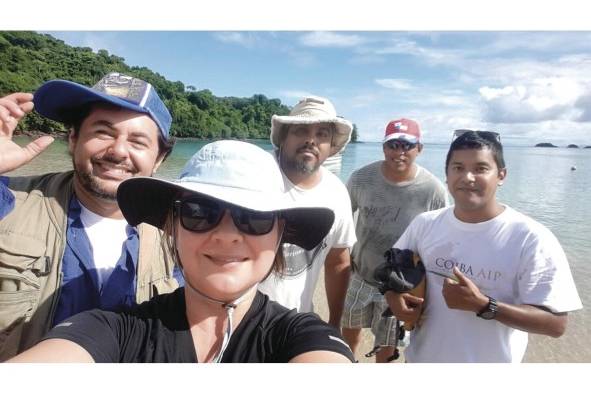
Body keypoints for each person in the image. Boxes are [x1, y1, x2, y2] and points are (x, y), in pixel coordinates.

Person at [7, 141, 354, 363]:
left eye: (254, 218)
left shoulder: (304, 337)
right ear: (171, 225)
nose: (228, 235)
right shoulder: (114, 330)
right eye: (200, 212)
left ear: (281, 232)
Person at [0, 72, 182, 361]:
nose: (118, 151)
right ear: (73, 138)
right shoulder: (9, 203)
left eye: (137, 141)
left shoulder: (180, 237)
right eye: (103, 132)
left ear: (159, 160)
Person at [384, 130, 582, 362]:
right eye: (458, 167)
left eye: (480, 168)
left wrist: (484, 305)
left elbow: (555, 324)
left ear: (501, 175)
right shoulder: (425, 224)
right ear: (446, 175)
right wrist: (393, 297)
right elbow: (391, 273)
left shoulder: (530, 237)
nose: (468, 177)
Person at [341, 118, 447, 362]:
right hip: (361, 274)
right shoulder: (360, 179)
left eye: (407, 146)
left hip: (400, 283)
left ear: (419, 149)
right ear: (384, 147)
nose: (399, 152)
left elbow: (441, 238)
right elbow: (343, 220)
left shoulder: (433, 189)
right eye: (393, 145)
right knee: (349, 333)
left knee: (386, 346)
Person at [257, 95, 357, 328]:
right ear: (282, 138)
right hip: (237, 318)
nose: (311, 140)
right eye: (301, 130)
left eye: (322, 134)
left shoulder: (336, 193)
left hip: (296, 322)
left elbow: (338, 262)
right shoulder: (257, 175)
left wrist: (334, 322)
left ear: (332, 147)